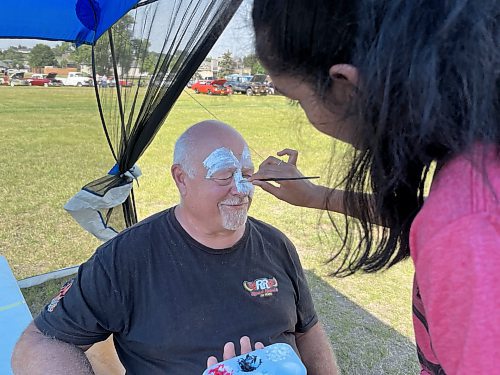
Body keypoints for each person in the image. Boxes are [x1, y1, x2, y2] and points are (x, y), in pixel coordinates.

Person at [245, 1, 500, 374]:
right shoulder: (475, 165)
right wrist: (319, 196)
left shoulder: (468, 228)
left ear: (347, 86)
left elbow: (459, 225)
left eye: (298, 100)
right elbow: (434, 214)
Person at [11, 120, 337, 375]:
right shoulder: (126, 258)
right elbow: (40, 343)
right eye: (224, 175)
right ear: (181, 178)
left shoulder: (276, 245)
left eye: (247, 174)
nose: (241, 190)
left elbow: (308, 330)